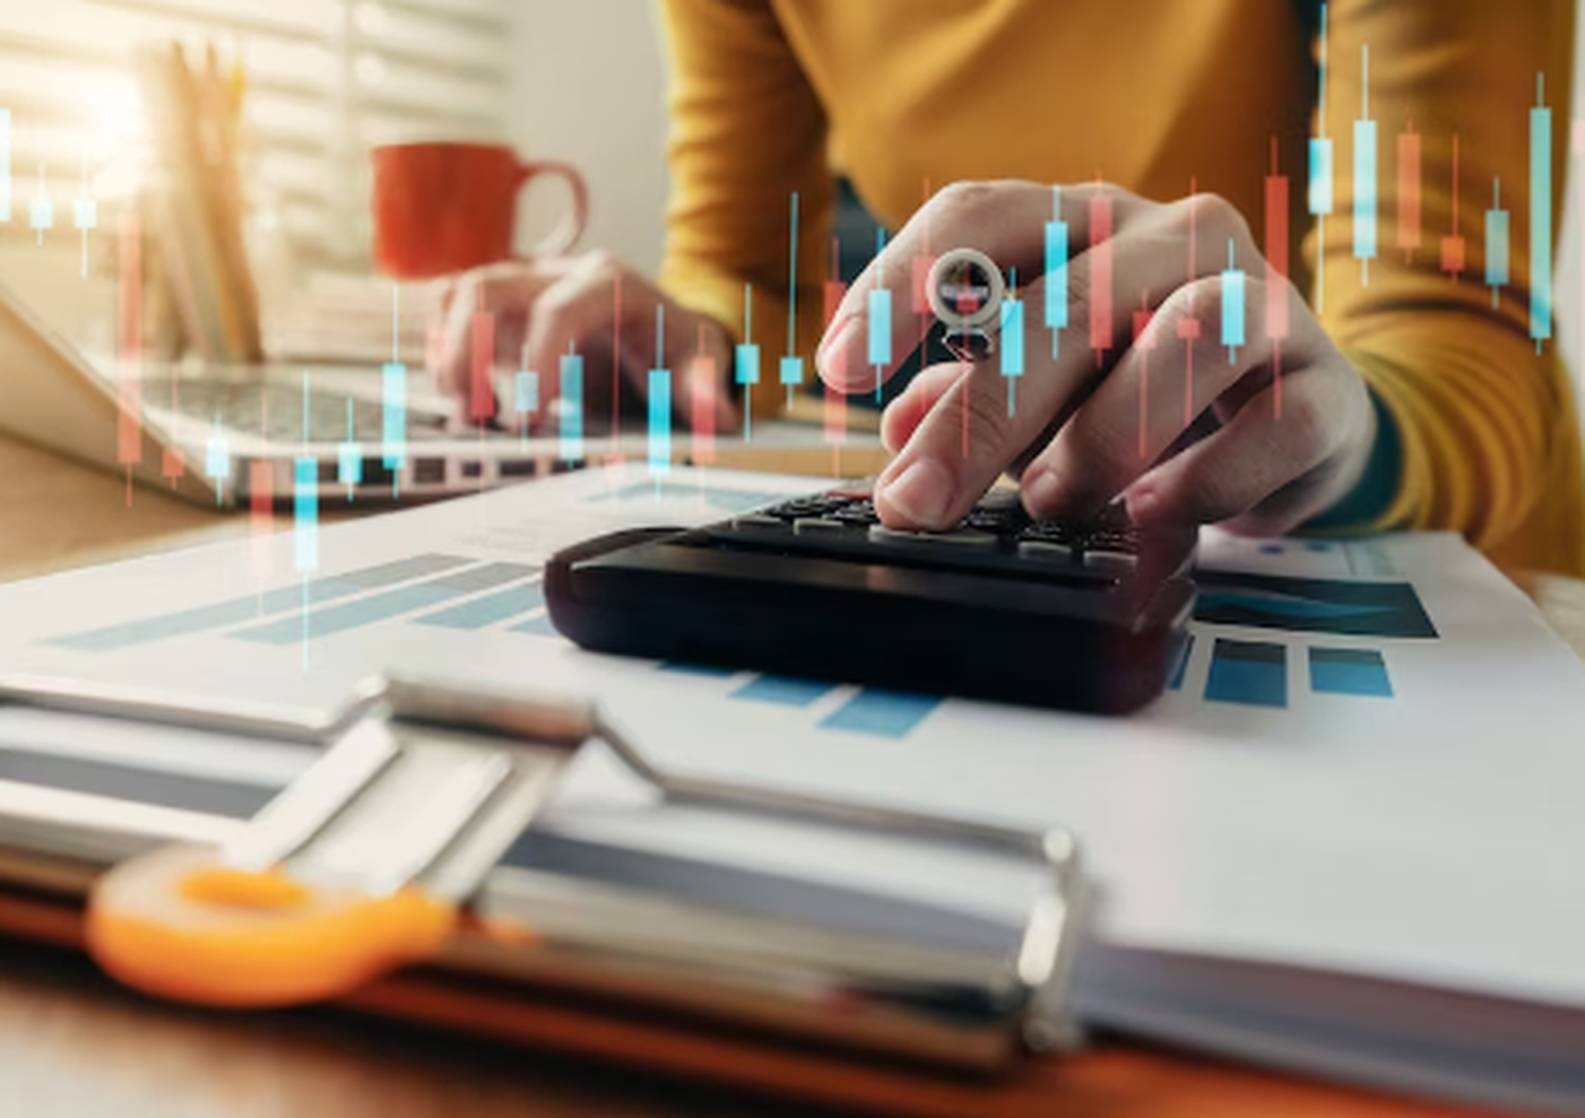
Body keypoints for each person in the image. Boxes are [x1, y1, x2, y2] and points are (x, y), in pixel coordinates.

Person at [429, 1, 1583, 575]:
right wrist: (690, 340)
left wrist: (1330, 431)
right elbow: (746, 270)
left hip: (1452, 581)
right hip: (1071, 557)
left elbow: (1454, 337)